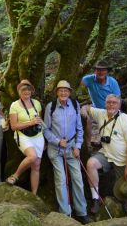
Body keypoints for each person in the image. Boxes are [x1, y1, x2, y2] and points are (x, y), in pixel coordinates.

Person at [43, 80, 90, 224]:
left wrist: (78, 146)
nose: (63, 93)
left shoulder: (75, 105)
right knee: (61, 180)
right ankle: (65, 212)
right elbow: (45, 129)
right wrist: (57, 141)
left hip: (71, 148)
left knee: (78, 179)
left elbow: (79, 129)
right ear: (57, 92)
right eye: (60, 90)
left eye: (66, 91)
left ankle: (81, 211)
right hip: (56, 150)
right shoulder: (50, 107)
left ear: (70, 92)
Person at [85, 94, 127, 216]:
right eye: (109, 102)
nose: (111, 105)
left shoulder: (126, 120)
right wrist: (84, 111)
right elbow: (87, 108)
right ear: (105, 103)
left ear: (119, 105)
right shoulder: (100, 113)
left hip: (122, 160)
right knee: (91, 163)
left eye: (114, 102)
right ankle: (95, 198)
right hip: (106, 154)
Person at [6, 79, 44, 195]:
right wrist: (30, 122)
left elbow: (40, 121)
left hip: (38, 136)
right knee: (32, 157)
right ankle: (15, 175)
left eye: (28, 89)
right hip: (22, 136)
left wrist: (43, 133)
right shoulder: (14, 105)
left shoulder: (36, 103)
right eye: (23, 90)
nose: (26, 92)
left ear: (31, 91)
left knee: (36, 166)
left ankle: (34, 194)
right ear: (19, 91)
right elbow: (13, 126)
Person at [80, 61, 121, 152]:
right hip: (96, 108)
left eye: (103, 70)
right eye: (98, 70)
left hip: (110, 110)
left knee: (111, 126)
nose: (100, 72)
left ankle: (107, 145)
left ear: (107, 71)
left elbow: (118, 100)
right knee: (85, 116)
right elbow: (76, 81)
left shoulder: (112, 82)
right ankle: (88, 144)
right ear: (95, 71)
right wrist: (79, 70)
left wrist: (117, 114)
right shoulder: (89, 79)